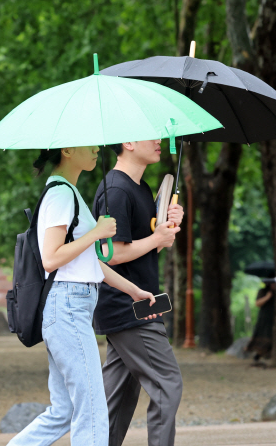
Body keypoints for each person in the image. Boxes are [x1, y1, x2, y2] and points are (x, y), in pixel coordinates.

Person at [8, 145, 160, 446]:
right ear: (68, 150)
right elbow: (51, 259)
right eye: (89, 144)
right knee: (91, 407)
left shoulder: (67, 192)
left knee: (64, 411)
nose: (97, 149)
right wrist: (96, 232)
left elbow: (89, 263)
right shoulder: (61, 194)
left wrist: (133, 290)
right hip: (67, 307)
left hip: (67, 305)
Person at [92, 139, 184, 446]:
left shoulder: (141, 188)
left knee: (117, 402)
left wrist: (164, 234)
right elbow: (112, 254)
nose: (158, 141)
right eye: (150, 134)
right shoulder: (116, 190)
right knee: (167, 384)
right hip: (128, 307)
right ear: (128, 142)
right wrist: (156, 238)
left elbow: (143, 249)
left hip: (135, 305)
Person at [246, 282, 276, 361]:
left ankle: (267, 354)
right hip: (264, 318)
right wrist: (267, 297)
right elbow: (257, 303)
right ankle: (258, 354)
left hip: (275, 318)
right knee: (261, 336)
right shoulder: (263, 291)